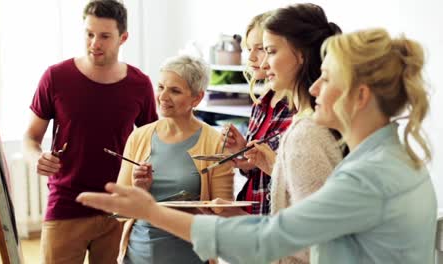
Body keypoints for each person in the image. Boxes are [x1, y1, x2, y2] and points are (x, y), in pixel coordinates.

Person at [76, 27, 437, 264]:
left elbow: (272, 239)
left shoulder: (366, 178)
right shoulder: (394, 160)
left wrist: (154, 212)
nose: (313, 89)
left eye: (326, 79)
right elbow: (300, 234)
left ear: (360, 96)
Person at [23, 1, 158, 263]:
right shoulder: (55, 77)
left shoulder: (140, 84)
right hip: (66, 205)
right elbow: (30, 138)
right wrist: (35, 158)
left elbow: (152, 144)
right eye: (89, 33)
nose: (94, 43)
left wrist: (146, 170)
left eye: (105, 36)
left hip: (118, 207)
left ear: (123, 38)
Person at [218, 5, 345, 263]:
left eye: (270, 51)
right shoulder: (306, 121)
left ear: (300, 55)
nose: (261, 62)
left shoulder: (307, 131)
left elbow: (311, 239)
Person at [114, 55, 234, 264]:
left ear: (196, 98)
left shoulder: (216, 143)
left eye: (175, 90)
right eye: (161, 87)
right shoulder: (139, 137)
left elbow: (223, 214)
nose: (162, 96)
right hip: (138, 255)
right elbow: (120, 211)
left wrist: (199, 209)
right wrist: (138, 190)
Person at [221, 10, 293, 216]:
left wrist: (267, 162)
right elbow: (256, 169)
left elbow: (300, 181)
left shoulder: (300, 109)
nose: (252, 57)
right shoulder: (261, 103)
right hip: (253, 210)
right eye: (248, 49)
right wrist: (243, 151)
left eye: (261, 49)